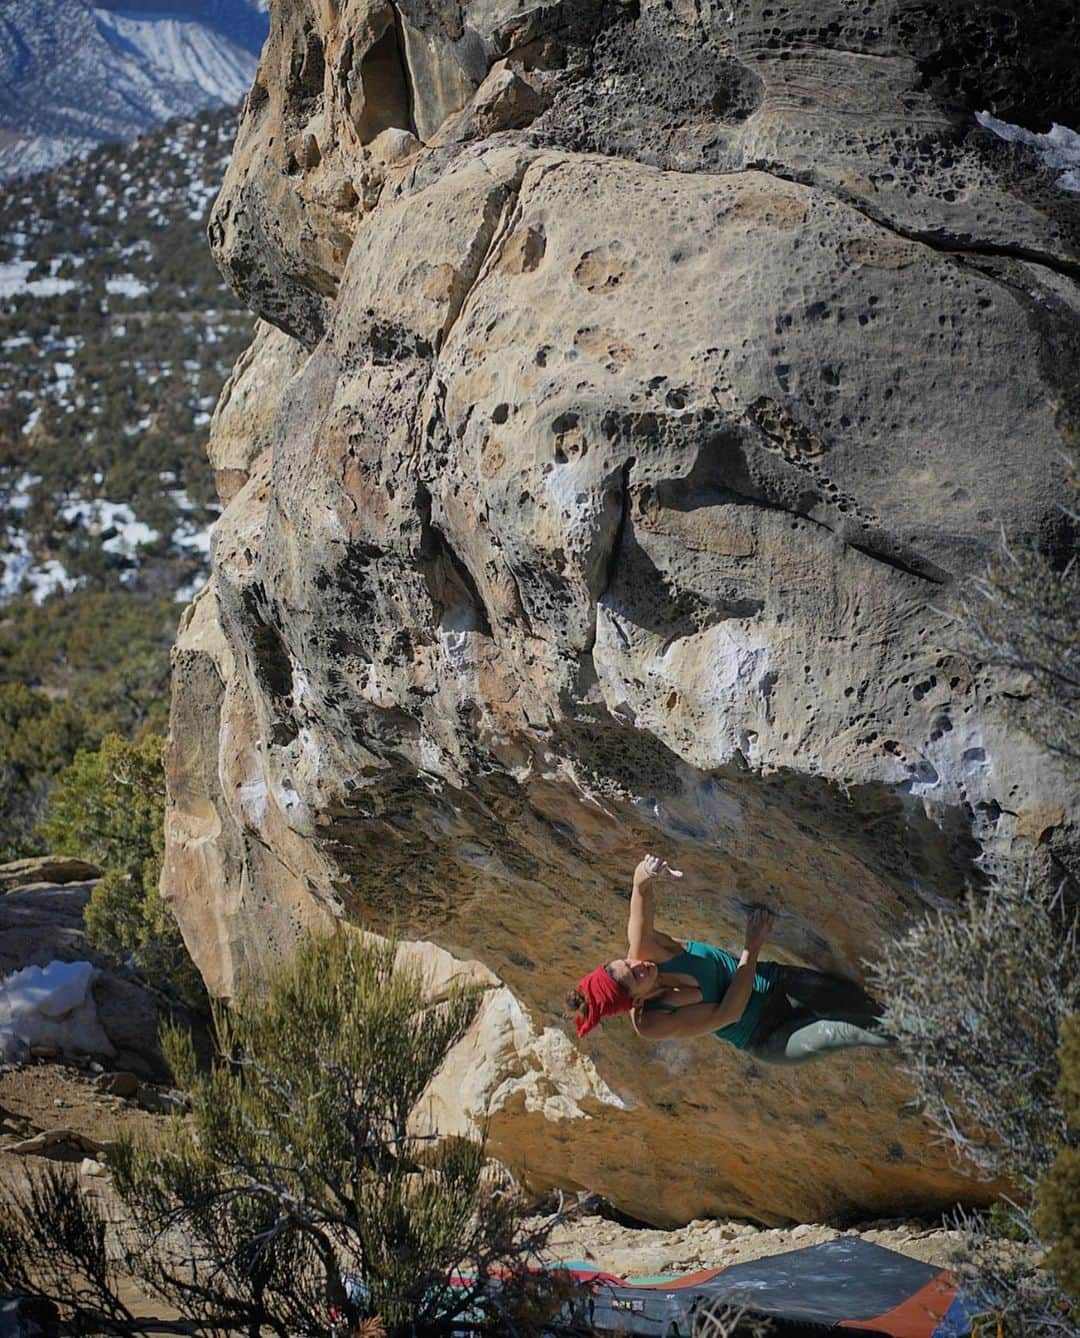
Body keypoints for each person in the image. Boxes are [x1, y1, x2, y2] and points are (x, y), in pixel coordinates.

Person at [567, 854, 891, 1065]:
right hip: (768, 1036)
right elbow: (729, 1013)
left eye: (627, 964)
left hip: (778, 984)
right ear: (635, 1000)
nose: (639, 966)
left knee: (867, 1007)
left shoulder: (645, 949)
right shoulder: (651, 1022)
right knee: (850, 1031)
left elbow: (639, 889)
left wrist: (649, 871)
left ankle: (932, 1034)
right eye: (636, 977)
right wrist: (751, 947)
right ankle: (936, 1040)